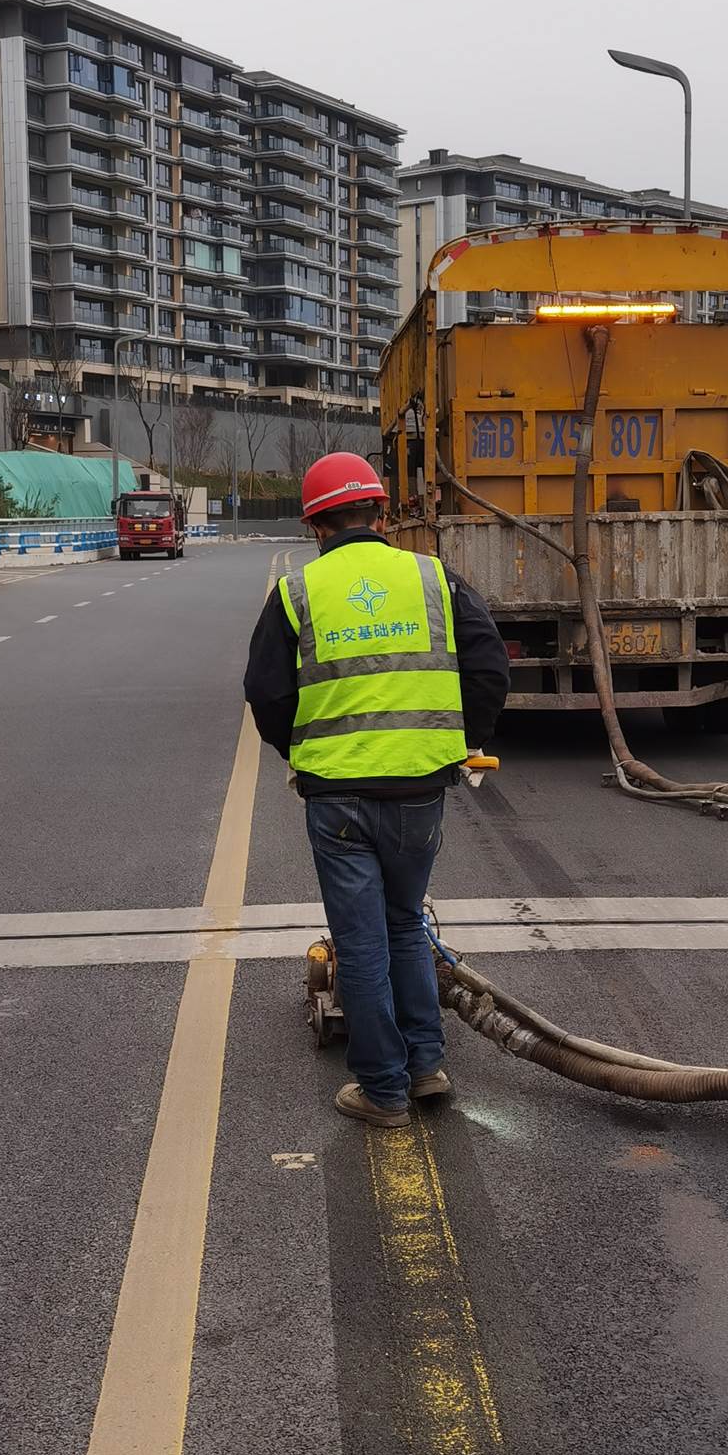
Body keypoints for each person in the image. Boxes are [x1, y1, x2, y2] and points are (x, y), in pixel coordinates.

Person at [244, 452, 511, 1125]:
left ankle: (383, 1090)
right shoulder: (433, 577)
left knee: (360, 942)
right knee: (405, 923)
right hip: (420, 788)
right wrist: (463, 739)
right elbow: (490, 667)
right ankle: (425, 1066)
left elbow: (266, 692)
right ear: (383, 515)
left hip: (336, 795)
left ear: (314, 526)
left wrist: (300, 751)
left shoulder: (297, 592)